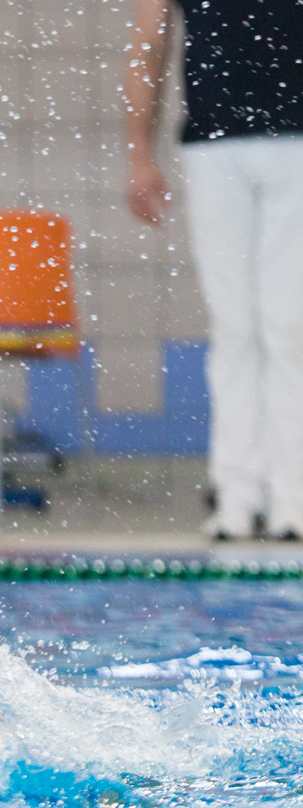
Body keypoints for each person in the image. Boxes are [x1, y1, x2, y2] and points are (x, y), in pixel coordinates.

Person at [125, 0, 303, 541]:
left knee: (287, 328)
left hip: (289, 142)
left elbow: (148, 45)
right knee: (240, 328)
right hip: (214, 145)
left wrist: (139, 152)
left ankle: (289, 495)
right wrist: (138, 151)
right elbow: (149, 42)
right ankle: (239, 494)